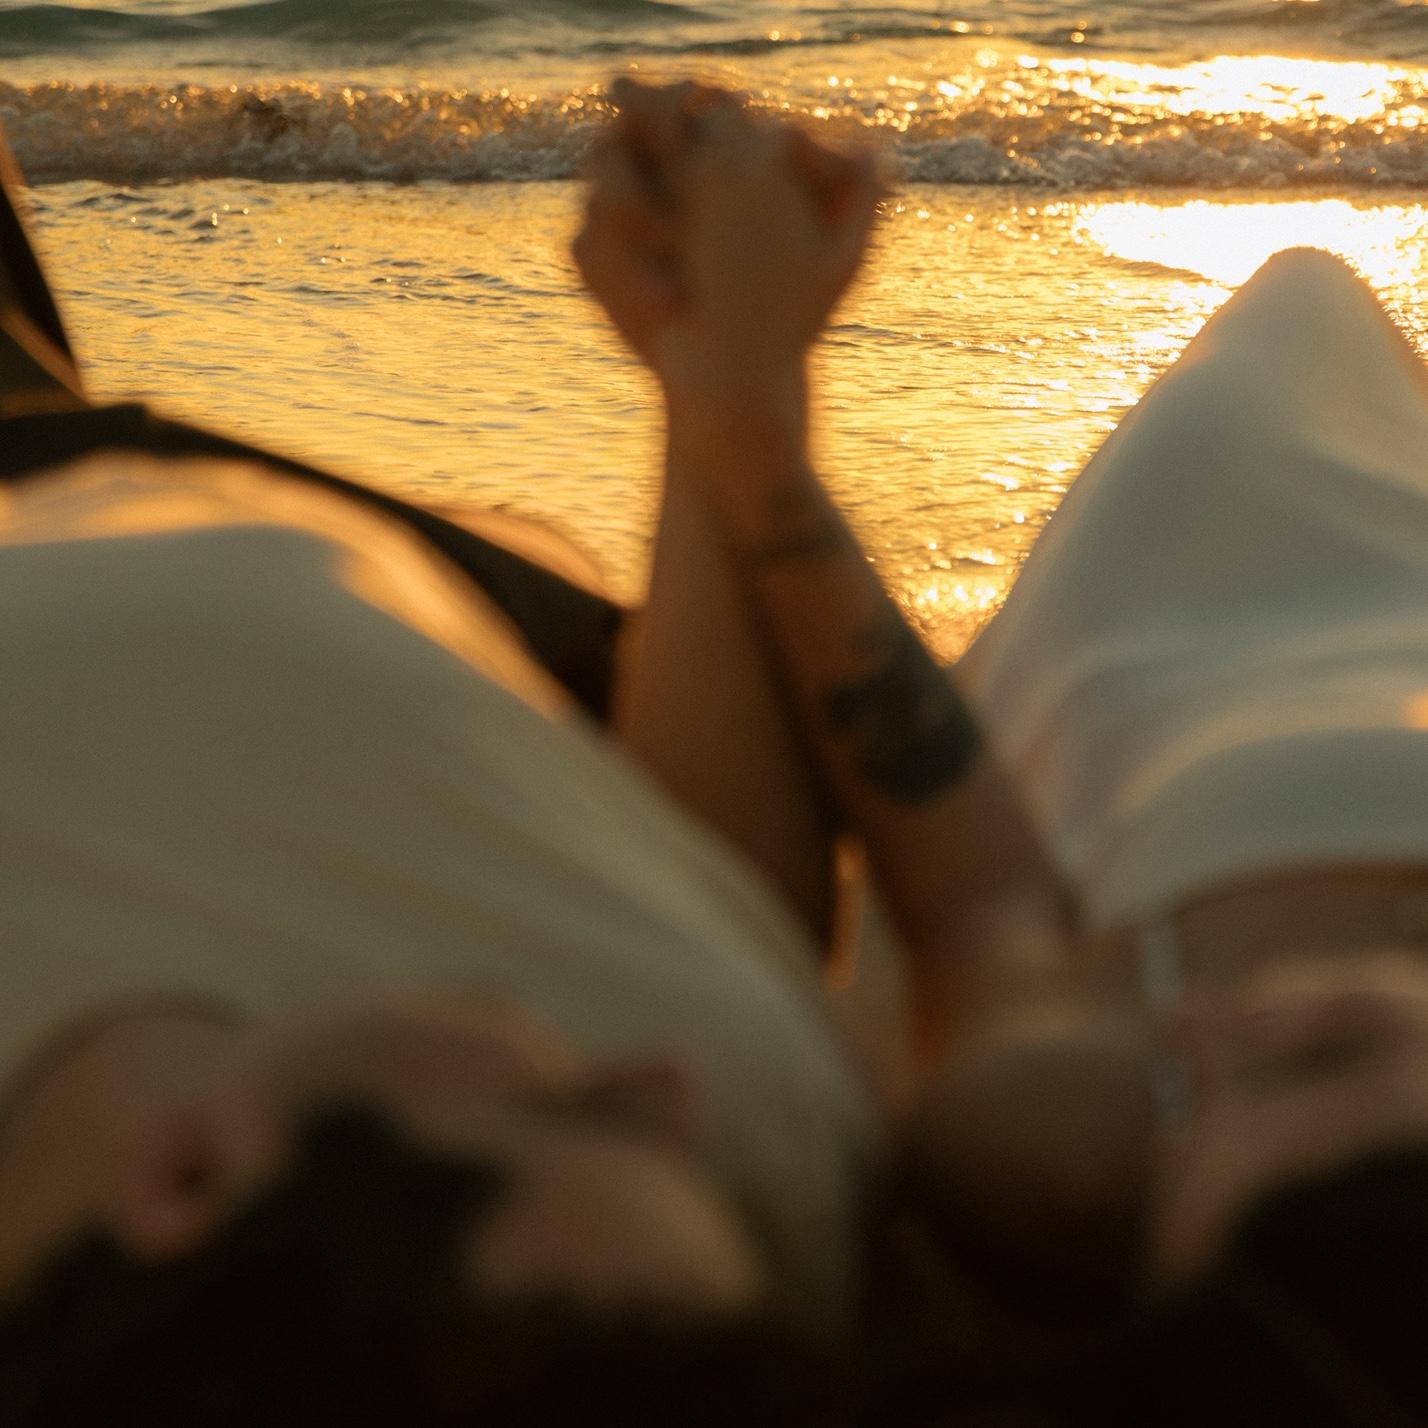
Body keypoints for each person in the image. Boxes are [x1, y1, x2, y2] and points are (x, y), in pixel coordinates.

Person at [0, 116, 929, 1422]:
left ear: (185, 1179)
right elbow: (713, 900)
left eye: (570, 1109)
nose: (662, 1084)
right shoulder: (694, 1285)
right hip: (428, 590)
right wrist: (723, 368)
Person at [583, 83, 1428, 1423]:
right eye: (1318, 1057)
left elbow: (979, 897)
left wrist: (741, 400)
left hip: (1154, 661)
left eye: (1180, 1100)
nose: (1201, 1035)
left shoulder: (1057, 1147)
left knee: (1285, 322)